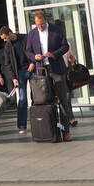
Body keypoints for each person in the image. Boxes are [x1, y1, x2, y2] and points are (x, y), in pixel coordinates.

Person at [26, 10, 74, 142]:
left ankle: (66, 131)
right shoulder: (32, 34)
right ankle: (49, 131)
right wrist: (34, 57)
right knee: (44, 101)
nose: (40, 27)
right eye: (37, 25)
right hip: (41, 71)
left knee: (63, 100)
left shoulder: (56, 30)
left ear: (45, 21)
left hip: (57, 69)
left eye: (42, 24)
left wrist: (54, 54)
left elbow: (65, 46)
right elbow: (28, 51)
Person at [0, 27, 28, 134]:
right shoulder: (7, 47)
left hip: (31, 69)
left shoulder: (25, 38)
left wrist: (32, 63)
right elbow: (7, 64)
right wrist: (14, 78)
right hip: (20, 73)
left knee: (37, 97)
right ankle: (22, 126)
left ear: (10, 33)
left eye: (5, 38)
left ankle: (39, 121)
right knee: (22, 98)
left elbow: (32, 50)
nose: (4, 40)